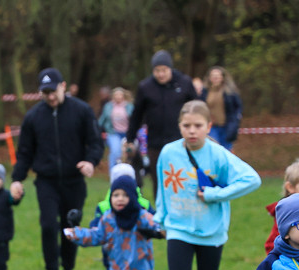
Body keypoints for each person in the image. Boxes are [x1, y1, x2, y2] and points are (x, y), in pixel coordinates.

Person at [155, 100, 261, 270]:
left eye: (198, 125)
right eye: (186, 125)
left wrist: (216, 194)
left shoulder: (218, 154)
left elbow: (252, 179)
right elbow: (162, 187)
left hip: (211, 230)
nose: (192, 131)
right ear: (179, 126)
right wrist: (160, 218)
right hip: (178, 227)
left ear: (209, 126)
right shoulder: (168, 152)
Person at [10, 67, 104, 270]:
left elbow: (95, 142)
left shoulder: (81, 111)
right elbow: (25, 152)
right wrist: (17, 179)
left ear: (63, 87)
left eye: (53, 91)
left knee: (70, 228)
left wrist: (90, 161)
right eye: (45, 93)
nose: (50, 96)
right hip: (47, 182)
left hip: (74, 181)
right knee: (49, 226)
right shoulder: (33, 117)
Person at [124, 50, 198, 194]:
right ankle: (161, 207)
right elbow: (137, 115)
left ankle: (182, 205)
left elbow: (198, 108)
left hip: (181, 141)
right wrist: (130, 138)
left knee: (182, 179)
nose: (160, 74)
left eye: (164, 70)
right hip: (156, 143)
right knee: (159, 180)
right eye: (157, 71)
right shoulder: (145, 87)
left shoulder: (184, 83)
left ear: (170, 68)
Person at [86, 162, 154, 270]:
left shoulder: (142, 204)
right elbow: (96, 226)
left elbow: (154, 222)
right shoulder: (105, 206)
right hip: (112, 252)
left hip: (137, 252)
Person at [199, 66, 242, 152]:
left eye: (217, 76)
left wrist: (236, 119)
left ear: (222, 77)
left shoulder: (230, 92)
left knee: (226, 151)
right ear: (209, 78)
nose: (215, 78)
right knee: (214, 149)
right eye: (213, 76)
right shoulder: (205, 92)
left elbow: (238, 107)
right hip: (211, 127)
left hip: (227, 126)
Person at [97, 87, 133, 172]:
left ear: (123, 96)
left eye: (120, 94)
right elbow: (103, 119)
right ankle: (113, 172)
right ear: (113, 96)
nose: (118, 96)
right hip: (113, 132)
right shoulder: (108, 106)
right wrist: (96, 128)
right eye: (116, 95)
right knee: (115, 152)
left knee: (129, 153)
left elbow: (135, 119)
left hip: (127, 133)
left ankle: (128, 172)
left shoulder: (129, 106)